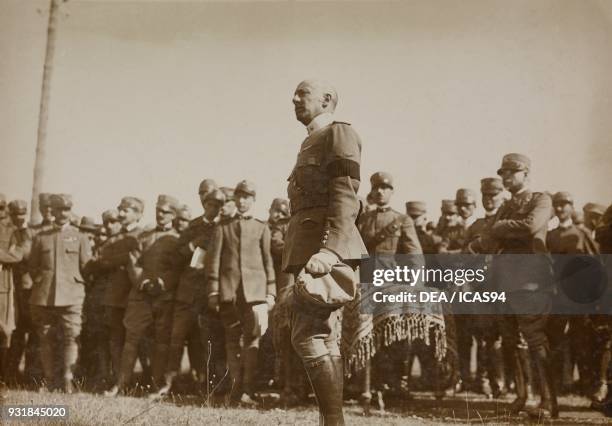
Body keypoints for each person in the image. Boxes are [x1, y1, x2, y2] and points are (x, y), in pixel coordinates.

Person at [281, 79, 368, 425]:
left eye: (303, 93)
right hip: (310, 247)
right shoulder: (310, 141)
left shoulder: (338, 133)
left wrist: (330, 250)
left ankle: (332, 421)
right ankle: (332, 421)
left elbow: (346, 193)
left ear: (327, 99)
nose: (294, 99)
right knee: (320, 335)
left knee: (307, 334)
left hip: (324, 249)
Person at [486, 153, 558, 419]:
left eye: (510, 172)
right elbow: (488, 236)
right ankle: (523, 395)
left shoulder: (541, 199)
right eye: (503, 173)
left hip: (531, 281)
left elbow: (530, 228)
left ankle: (548, 401)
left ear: (525, 174)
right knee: (511, 341)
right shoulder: (506, 205)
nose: (505, 177)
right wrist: (502, 228)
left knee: (536, 340)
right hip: (505, 280)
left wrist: (502, 226)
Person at [352, 171, 427, 413]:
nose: (381, 191)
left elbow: (415, 256)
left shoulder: (402, 220)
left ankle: (385, 387)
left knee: (389, 340)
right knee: (364, 338)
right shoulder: (362, 220)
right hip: (364, 286)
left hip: (391, 286)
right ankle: (365, 388)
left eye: (386, 188)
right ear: (372, 191)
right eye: (377, 188)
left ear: (392, 191)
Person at [206, 180, 275, 405]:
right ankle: (234, 391)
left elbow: (268, 262)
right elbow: (213, 261)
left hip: (255, 294)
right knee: (232, 341)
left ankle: (248, 389)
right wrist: (214, 291)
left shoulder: (262, 227)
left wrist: (271, 292)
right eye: (240, 197)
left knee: (253, 340)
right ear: (235, 199)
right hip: (229, 293)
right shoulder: (223, 228)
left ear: (254, 200)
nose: (243, 201)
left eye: (248, 197)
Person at [152, 188, 226, 399]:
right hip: (186, 294)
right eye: (211, 204)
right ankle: (167, 384)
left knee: (205, 342)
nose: (214, 209)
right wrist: (194, 244)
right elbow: (176, 257)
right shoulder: (193, 226)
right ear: (204, 205)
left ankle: (205, 385)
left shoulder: (223, 227)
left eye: (219, 205)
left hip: (209, 294)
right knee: (176, 340)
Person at [105, 195, 182, 396]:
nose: (161, 214)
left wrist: (163, 283)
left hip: (165, 298)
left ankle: (157, 386)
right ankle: (121, 384)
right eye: (158, 210)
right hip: (140, 296)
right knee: (131, 340)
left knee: (162, 341)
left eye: (165, 212)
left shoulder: (177, 240)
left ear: (173, 215)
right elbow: (134, 262)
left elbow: (179, 268)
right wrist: (144, 282)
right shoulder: (144, 237)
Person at [28, 194, 92, 393]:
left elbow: (87, 267)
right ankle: (49, 380)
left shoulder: (80, 237)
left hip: (72, 296)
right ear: (52, 211)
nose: (63, 214)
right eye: (58, 210)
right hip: (44, 295)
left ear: (70, 211)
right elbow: (33, 267)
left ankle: (67, 379)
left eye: (66, 210)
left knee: (71, 336)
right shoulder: (41, 237)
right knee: (46, 337)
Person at [99, 197, 145, 386]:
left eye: (126, 210)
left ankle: (145, 378)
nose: (121, 213)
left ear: (138, 214)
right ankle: (120, 381)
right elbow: (104, 261)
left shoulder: (143, 235)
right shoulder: (113, 239)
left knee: (140, 340)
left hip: (138, 295)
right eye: (121, 209)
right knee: (116, 339)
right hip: (115, 296)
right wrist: (125, 257)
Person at [4, 200, 40, 387]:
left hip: (27, 289)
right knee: (14, 334)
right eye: (15, 213)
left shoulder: (30, 233)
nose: (19, 217)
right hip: (10, 288)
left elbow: (19, 255)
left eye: (22, 213)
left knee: (31, 332)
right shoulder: (7, 231)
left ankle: (30, 376)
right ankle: (10, 374)